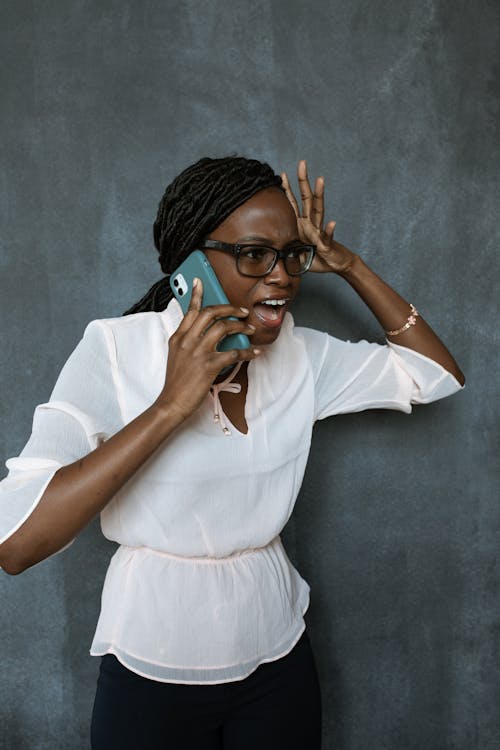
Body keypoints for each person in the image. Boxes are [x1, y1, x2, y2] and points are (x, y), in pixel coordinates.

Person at [0, 156, 464, 749]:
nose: (283, 277)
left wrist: (348, 266)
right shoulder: (117, 351)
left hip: (277, 651)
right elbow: (16, 544)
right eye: (253, 254)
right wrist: (170, 406)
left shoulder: (300, 355)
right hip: (155, 661)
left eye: (291, 254)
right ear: (194, 261)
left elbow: (435, 376)